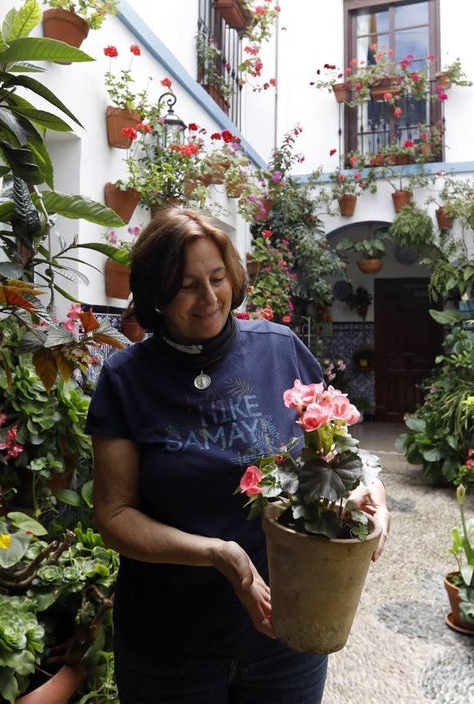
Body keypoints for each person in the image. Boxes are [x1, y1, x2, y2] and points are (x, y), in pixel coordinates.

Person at [86, 209, 389, 703]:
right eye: (186, 286)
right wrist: (216, 553)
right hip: (169, 645)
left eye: (217, 278)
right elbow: (114, 515)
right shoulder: (126, 378)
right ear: (157, 295)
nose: (209, 299)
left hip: (286, 626)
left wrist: (370, 487)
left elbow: (336, 447)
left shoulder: (278, 348)